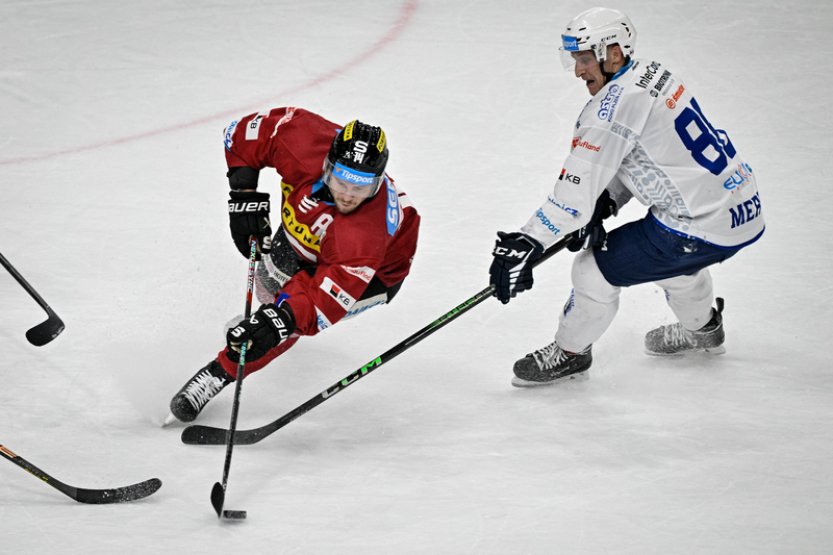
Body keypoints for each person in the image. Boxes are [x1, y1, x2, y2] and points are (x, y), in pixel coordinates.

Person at [488, 8, 764, 387]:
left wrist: (528, 241)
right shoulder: (653, 74)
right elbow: (650, 158)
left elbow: (573, 193)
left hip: (696, 226)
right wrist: (607, 201)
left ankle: (569, 353)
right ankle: (704, 328)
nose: (578, 70)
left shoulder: (610, 110)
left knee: (592, 272)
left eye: (584, 58)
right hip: (741, 210)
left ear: (613, 53)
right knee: (673, 264)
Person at [167, 108, 420, 422]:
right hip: (309, 235)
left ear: (378, 183)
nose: (348, 195)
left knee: (281, 321)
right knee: (268, 291)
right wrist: (243, 195)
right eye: (340, 181)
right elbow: (243, 133)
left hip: (374, 274)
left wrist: (279, 321)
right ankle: (264, 319)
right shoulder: (301, 137)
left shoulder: (363, 237)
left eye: (361, 188)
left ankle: (220, 373)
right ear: (327, 163)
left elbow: (318, 306)